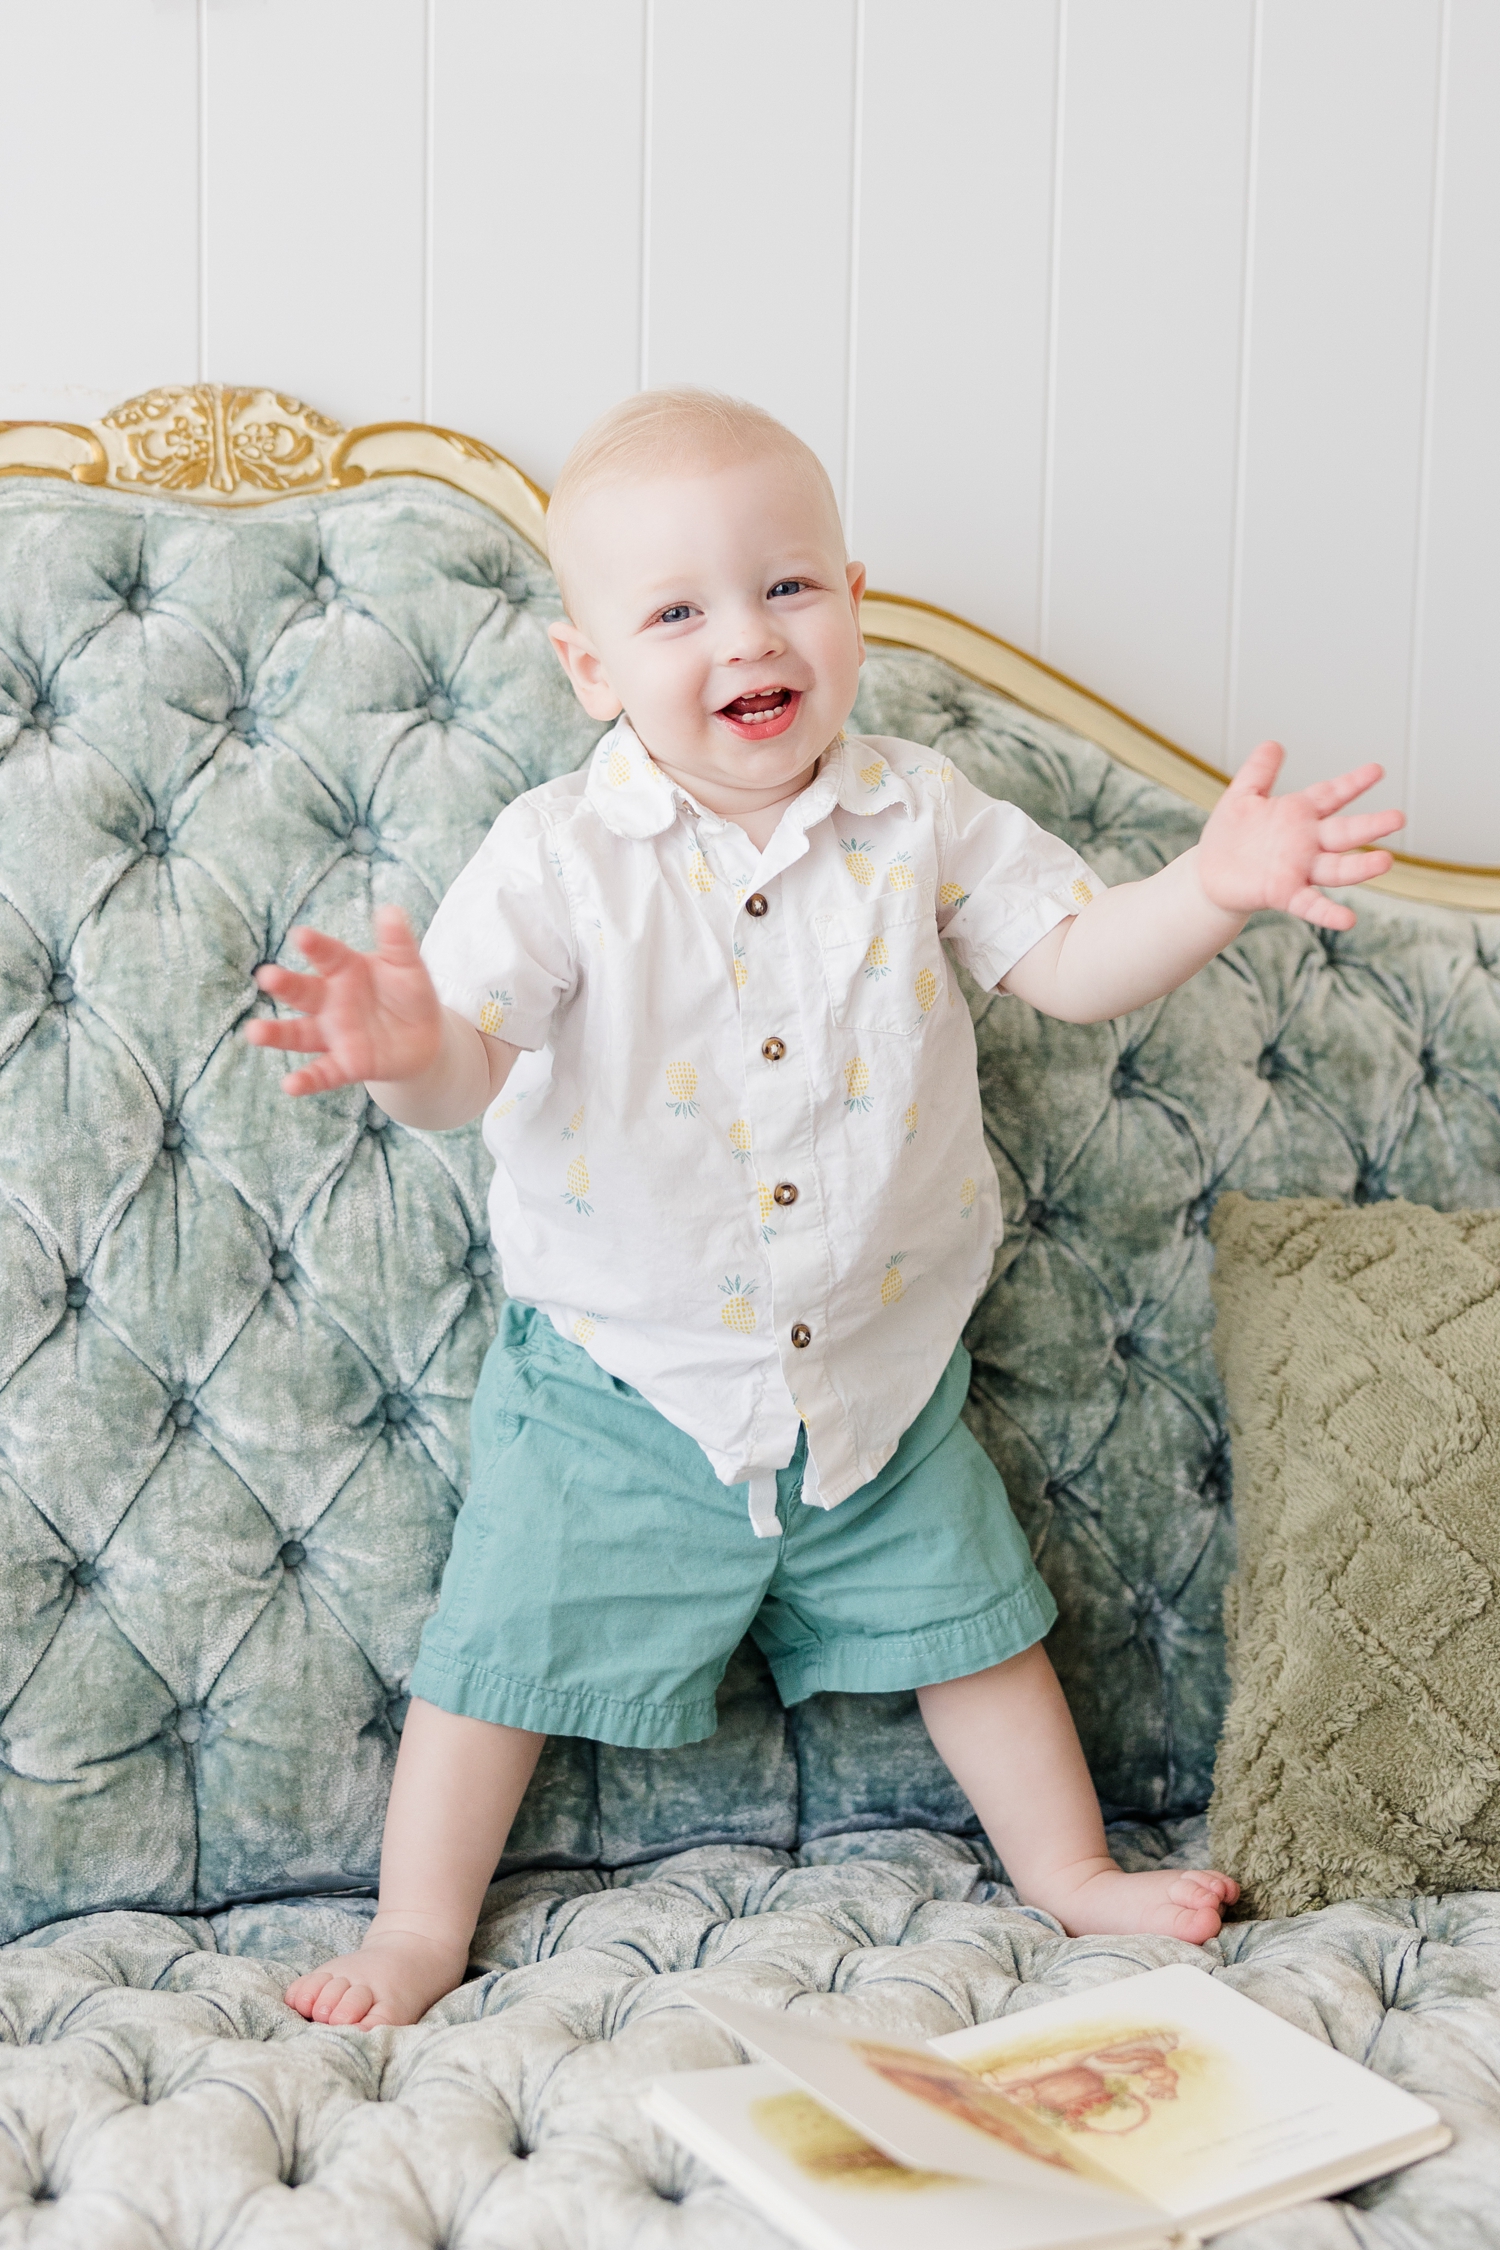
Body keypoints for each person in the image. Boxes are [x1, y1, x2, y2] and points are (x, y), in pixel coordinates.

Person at [245, 389, 1402, 2028]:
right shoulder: (559, 855)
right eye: (675, 611)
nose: (746, 636)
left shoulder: (918, 814)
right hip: (616, 1382)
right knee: (491, 1649)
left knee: (980, 1629)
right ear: (593, 667)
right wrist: (409, 1044)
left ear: (853, 600)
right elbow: (472, 1067)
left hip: (879, 1367)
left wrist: (1208, 886)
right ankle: (418, 1928)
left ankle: (1070, 1873)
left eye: (788, 585)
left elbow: (1068, 966)